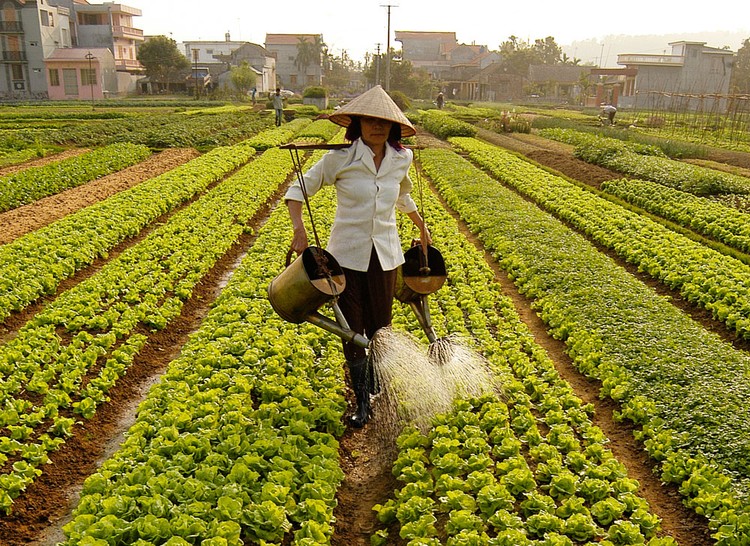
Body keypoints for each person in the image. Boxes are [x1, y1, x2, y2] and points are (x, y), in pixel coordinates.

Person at [284, 85, 432, 428]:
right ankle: (362, 401)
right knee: (351, 329)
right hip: (345, 257)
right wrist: (299, 228)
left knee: (381, 326)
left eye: (383, 122)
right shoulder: (340, 158)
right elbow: (298, 190)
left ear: (393, 127)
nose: (376, 127)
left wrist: (421, 226)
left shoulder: (401, 158)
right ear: (358, 123)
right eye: (370, 121)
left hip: (385, 256)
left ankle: (377, 388)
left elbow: (403, 194)